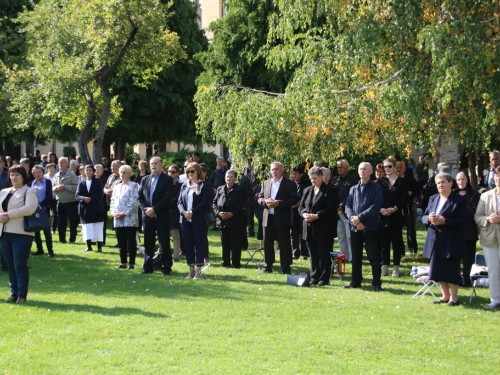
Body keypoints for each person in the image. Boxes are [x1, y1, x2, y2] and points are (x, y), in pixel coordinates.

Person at [422, 172, 467, 306]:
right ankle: (445, 296)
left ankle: (454, 297)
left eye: (443, 182)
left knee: (451, 269)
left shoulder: (459, 200)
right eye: (438, 183)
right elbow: (423, 217)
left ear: (450, 183)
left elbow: (463, 220)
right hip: (435, 239)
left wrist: (445, 221)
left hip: (451, 240)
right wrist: (429, 219)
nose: (440, 185)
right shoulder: (433, 198)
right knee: (437, 268)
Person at [0, 165, 38, 304]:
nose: (14, 177)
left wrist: (8, 215)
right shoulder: (4, 191)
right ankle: (13, 293)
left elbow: (29, 209)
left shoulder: (29, 191)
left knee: (19, 265)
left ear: (23, 177)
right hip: (4, 233)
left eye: (17, 175)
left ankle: (22, 295)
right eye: (12, 175)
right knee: (10, 265)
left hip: (21, 234)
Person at [344, 162, 384, 292]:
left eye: (365, 169)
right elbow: (348, 206)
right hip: (355, 227)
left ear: (370, 172)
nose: (362, 171)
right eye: (360, 168)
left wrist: (360, 218)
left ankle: (377, 282)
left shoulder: (376, 188)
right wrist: (354, 219)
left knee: (374, 257)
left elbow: (375, 207)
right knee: (356, 256)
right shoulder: (353, 189)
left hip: (370, 227)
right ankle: (356, 281)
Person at [299, 167, 339, 286]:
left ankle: (323, 279)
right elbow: (301, 206)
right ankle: (313, 277)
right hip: (309, 227)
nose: (313, 181)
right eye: (311, 179)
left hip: (324, 227)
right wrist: (304, 214)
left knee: (323, 254)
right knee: (313, 254)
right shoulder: (307, 190)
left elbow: (331, 209)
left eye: (315, 178)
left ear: (322, 177)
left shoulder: (331, 190)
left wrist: (317, 215)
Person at [257, 162, 299, 274]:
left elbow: (294, 200)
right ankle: (268, 265)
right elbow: (259, 198)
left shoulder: (290, 184)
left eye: (276, 169)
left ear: (282, 170)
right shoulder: (266, 183)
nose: (274, 171)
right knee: (267, 243)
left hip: (282, 218)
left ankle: (285, 266)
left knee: (284, 243)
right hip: (268, 218)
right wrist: (265, 202)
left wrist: (279, 203)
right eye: (272, 169)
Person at [138, 156, 174, 276]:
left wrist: (154, 209)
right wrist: (146, 210)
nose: (153, 165)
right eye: (152, 163)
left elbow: (167, 197)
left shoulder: (167, 179)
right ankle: (148, 267)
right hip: (147, 217)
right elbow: (140, 198)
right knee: (148, 242)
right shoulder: (145, 179)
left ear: (161, 165)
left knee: (164, 242)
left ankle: (166, 267)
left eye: (156, 163)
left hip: (161, 216)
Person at [178, 162, 211, 279]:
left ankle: (198, 271)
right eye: (188, 172)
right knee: (188, 245)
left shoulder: (204, 186)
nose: (190, 174)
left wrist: (192, 211)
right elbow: (179, 202)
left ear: (198, 171)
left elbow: (205, 202)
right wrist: (184, 212)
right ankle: (191, 270)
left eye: (192, 171)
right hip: (185, 220)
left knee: (199, 244)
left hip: (198, 219)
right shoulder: (184, 186)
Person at [474, 166, 500, 309]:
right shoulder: (485, 196)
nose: (499, 179)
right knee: (493, 269)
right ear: (494, 178)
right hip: (489, 237)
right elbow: (477, 217)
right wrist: (488, 219)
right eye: (497, 176)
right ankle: (495, 299)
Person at [377, 158, 407, 277]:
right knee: (384, 243)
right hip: (382, 216)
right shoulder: (380, 182)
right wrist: (380, 209)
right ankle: (384, 266)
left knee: (396, 242)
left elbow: (405, 198)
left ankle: (396, 267)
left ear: (395, 167)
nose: (387, 169)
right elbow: (376, 198)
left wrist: (395, 208)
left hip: (396, 216)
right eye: (385, 167)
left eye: (390, 166)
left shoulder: (401, 182)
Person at [213, 169, 246, 268]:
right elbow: (214, 203)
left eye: (231, 177)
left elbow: (241, 204)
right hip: (222, 221)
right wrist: (218, 213)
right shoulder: (220, 189)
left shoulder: (240, 189)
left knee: (235, 243)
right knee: (225, 243)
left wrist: (232, 213)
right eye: (227, 177)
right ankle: (225, 262)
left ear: (235, 179)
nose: (229, 179)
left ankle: (236, 263)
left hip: (235, 220)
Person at [110, 165, 139, 269]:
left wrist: (124, 213)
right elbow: (112, 201)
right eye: (121, 172)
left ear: (130, 174)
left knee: (131, 241)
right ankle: (123, 262)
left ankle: (131, 263)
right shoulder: (117, 187)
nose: (122, 174)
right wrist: (113, 212)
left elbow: (133, 201)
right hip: (117, 219)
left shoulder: (134, 185)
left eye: (125, 172)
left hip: (129, 219)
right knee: (121, 241)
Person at [331, 159, 359, 263]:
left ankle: (352, 257)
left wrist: (342, 204)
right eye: (338, 167)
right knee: (341, 235)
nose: (339, 169)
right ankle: (344, 256)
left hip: (348, 211)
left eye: (341, 167)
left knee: (349, 235)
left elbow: (352, 194)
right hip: (337, 212)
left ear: (347, 167)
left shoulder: (353, 179)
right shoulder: (335, 179)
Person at [455, 171, 480, 287]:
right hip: (454, 230)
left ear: (467, 180)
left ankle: (467, 280)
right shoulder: (452, 194)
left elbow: (473, 211)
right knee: (455, 258)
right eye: (458, 180)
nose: (461, 182)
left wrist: (459, 210)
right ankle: (455, 280)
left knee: (468, 258)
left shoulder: (475, 195)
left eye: (463, 179)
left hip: (469, 231)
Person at [75, 165, 105, 252]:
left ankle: (99, 247)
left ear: (93, 172)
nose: (88, 172)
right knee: (87, 228)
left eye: (90, 170)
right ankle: (89, 246)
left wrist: (91, 198)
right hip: (85, 209)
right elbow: (77, 195)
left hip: (96, 208)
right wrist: (83, 198)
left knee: (98, 227)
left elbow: (100, 194)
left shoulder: (98, 182)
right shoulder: (81, 182)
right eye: (86, 170)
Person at [53, 157, 79, 243]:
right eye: (59, 163)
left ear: (67, 164)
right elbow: (52, 188)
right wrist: (57, 187)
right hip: (60, 202)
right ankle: (62, 239)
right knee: (61, 222)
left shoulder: (72, 175)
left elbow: (76, 188)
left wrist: (66, 187)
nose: (60, 164)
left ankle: (72, 239)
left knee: (72, 222)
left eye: (62, 163)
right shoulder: (56, 175)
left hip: (71, 202)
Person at [396, 161, 420, 255]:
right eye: (397, 168)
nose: (398, 169)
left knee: (410, 230)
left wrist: (411, 193)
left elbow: (418, 191)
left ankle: (413, 249)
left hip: (408, 208)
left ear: (404, 169)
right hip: (397, 209)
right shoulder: (393, 180)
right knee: (398, 231)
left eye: (400, 168)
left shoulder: (410, 180)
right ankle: (400, 251)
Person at [30, 165, 54, 257]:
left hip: (44, 209)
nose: (38, 174)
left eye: (39, 172)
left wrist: (40, 205)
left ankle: (50, 250)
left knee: (46, 230)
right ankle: (39, 249)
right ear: (33, 174)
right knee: (36, 231)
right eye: (36, 172)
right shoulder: (31, 183)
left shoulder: (47, 182)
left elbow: (49, 196)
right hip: (33, 209)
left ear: (43, 172)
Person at [291, 165, 309, 260]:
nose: (294, 176)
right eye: (293, 174)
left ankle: (304, 253)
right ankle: (294, 252)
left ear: (301, 174)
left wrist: (299, 204)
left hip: (302, 212)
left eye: (296, 174)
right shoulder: (291, 184)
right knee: (293, 233)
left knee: (303, 233)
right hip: (293, 212)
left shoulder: (306, 184)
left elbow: (306, 197)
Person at [167, 165, 183, 261]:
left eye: (173, 172)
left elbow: (178, 198)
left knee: (175, 235)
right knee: (164, 234)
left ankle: (176, 255)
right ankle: (163, 252)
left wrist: (166, 203)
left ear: (177, 173)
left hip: (175, 212)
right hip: (165, 212)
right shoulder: (165, 183)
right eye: (169, 171)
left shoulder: (181, 185)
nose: (171, 174)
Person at [44, 163, 58, 234]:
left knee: (55, 213)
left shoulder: (57, 176)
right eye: (49, 168)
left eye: (52, 168)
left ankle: (54, 229)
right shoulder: (44, 177)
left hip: (55, 198)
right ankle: (46, 228)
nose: (51, 169)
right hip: (47, 198)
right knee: (46, 213)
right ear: (47, 169)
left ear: (55, 169)